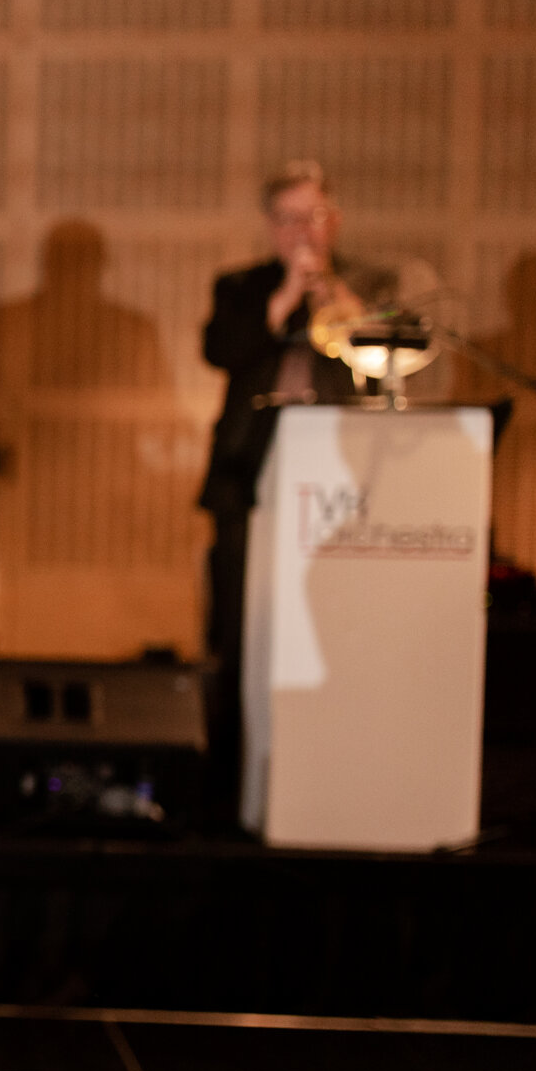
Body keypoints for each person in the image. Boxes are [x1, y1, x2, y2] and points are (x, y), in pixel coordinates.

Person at [197, 162, 392, 813]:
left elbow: (378, 357)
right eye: (288, 218)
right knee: (237, 631)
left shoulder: (364, 284)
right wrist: (283, 300)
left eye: (313, 217)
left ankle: (334, 780)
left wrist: (336, 297)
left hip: (338, 483)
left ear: (333, 222)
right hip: (248, 477)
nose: (302, 231)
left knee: (331, 629)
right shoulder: (242, 287)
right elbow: (221, 351)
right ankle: (229, 791)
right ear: (271, 228)